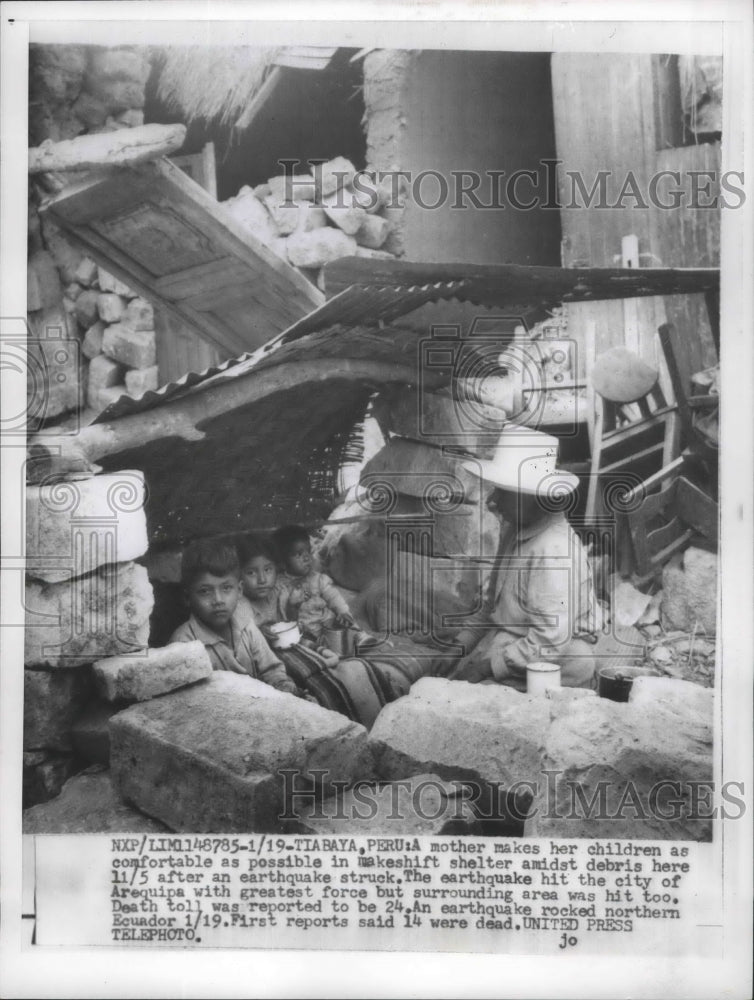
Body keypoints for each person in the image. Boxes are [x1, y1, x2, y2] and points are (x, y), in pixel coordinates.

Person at [450, 426, 612, 690]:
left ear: (536, 497)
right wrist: (460, 646)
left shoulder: (554, 550)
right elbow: (492, 606)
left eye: (505, 493)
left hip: (552, 654)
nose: (494, 501)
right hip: (514, 640)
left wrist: (485, 666)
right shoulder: (514, 531)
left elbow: (549, 641)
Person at [170, 538, 301, 696]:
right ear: (187, 597)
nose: (218, 600)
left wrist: (284, 687)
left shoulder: (246, 626)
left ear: (239, 590)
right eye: (205, 591)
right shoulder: (183, 644)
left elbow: (272, 670)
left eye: (226, 588)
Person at [273, 524, 358, 642]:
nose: (307, 558)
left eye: (308, 551)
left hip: (326, 623)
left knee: (348, 625)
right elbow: (281, 616)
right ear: (283, 562)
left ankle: (361, 639)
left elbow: (333, 595)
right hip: (303, 630)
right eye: (298, 554)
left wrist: (342, 611)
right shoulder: (280, 586)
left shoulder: (317, 578)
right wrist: (293, 605)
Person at [236, 534, 288, 628]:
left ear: (276, 568)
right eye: (251, 573)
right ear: (238, 575)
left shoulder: (280, 592)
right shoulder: (239, 606)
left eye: (267, 570)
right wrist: (259, 633)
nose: (262, 580)